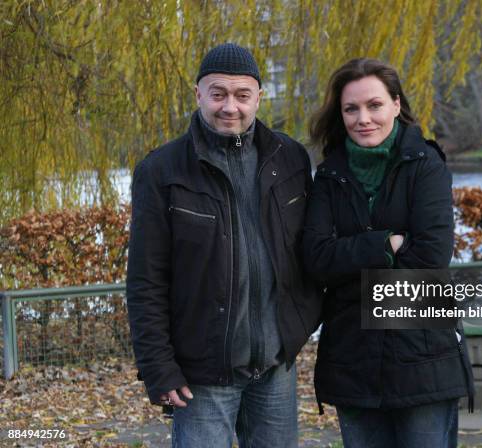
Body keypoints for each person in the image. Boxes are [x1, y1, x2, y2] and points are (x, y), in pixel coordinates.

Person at [126, 43, 321, 448]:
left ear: (259, 98)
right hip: (202, 375)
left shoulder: (291, 159)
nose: (229, 107)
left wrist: (300, 324)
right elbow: (146, 280)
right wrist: (158, 367)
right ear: (198, 94)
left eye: (242, 95)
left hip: (275, 370)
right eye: (218, 94)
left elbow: (309, 250)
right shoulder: (160, 171)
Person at [302, 58, 475, 448]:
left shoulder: (425, 164)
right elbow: (315, 258)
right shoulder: (330, 175)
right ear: (340, 113)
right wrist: (387, 244)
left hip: (424, 356)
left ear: (396, 105)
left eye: (374, 105)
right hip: (353, 358)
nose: (363, 118)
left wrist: (352, 272)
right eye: (351, 108)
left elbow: (432, 256)